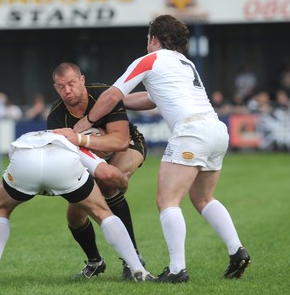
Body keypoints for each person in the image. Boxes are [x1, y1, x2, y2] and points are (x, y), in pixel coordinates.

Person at [73, 14, 251, 283]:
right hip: (215, 130)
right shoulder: (184, 63)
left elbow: (113, 94)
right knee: (203, 198)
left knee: (167, 200)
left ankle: (177, 269)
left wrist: (86, 120)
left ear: (153, 39)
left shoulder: (150, 59)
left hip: (190, 131)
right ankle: (237, 251)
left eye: (148, 37)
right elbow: (148, 99)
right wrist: (119, 103)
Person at [0, 131, 156, 285]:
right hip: (62, 163)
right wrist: (122, 182)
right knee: (102, 212)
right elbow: (106, 173)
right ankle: (138, 270)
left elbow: (14, 157)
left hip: (25, 161)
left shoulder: (31, 135)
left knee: (1, 209)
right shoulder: (76, 141)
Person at [47, 62, 147, 280]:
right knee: (74, 215)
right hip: (90, 158)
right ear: (56, 88)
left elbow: (120, 140)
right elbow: (64, 158)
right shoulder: (56, 116)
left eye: (72, 84)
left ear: (82, 80)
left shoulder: (103, 94)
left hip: (128, 145)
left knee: (109, 183)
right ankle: (95, 261)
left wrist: (83, 139)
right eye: (62, 87)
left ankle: (133, 259)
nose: (68, 91)